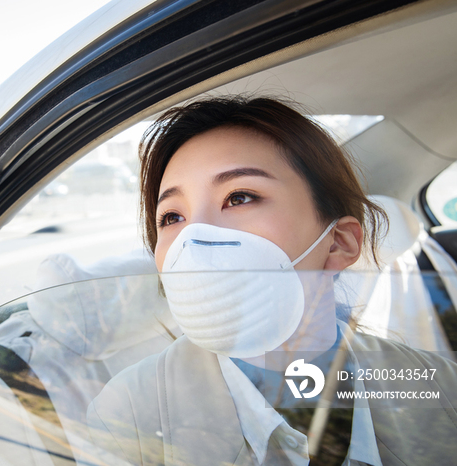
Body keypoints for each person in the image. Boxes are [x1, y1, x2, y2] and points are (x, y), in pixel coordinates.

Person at [85, 96, 457, 466]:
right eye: (171, 217)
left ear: (338, 243)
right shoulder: (128, 415)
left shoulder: (443, 388)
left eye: (239, 196)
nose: (195, 238)